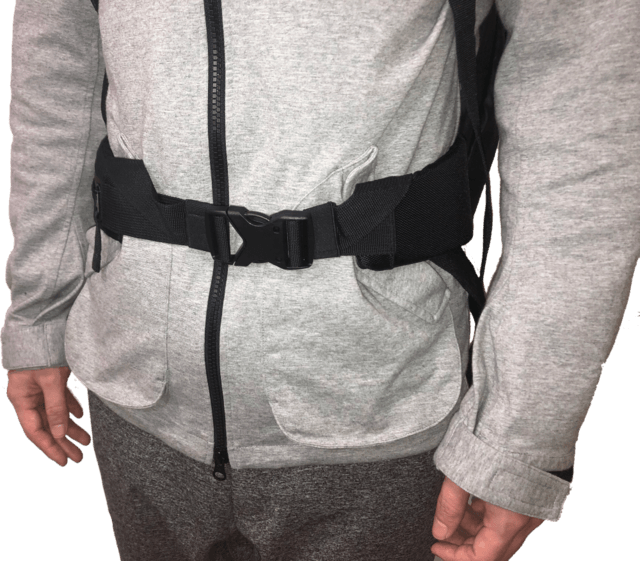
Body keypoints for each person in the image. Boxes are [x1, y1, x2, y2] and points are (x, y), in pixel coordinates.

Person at [2, 1, 638, 560]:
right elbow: (59, 76)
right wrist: (40, 310)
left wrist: (520, 438)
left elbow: (582, 137)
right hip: (135, 391)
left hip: (385, 419)